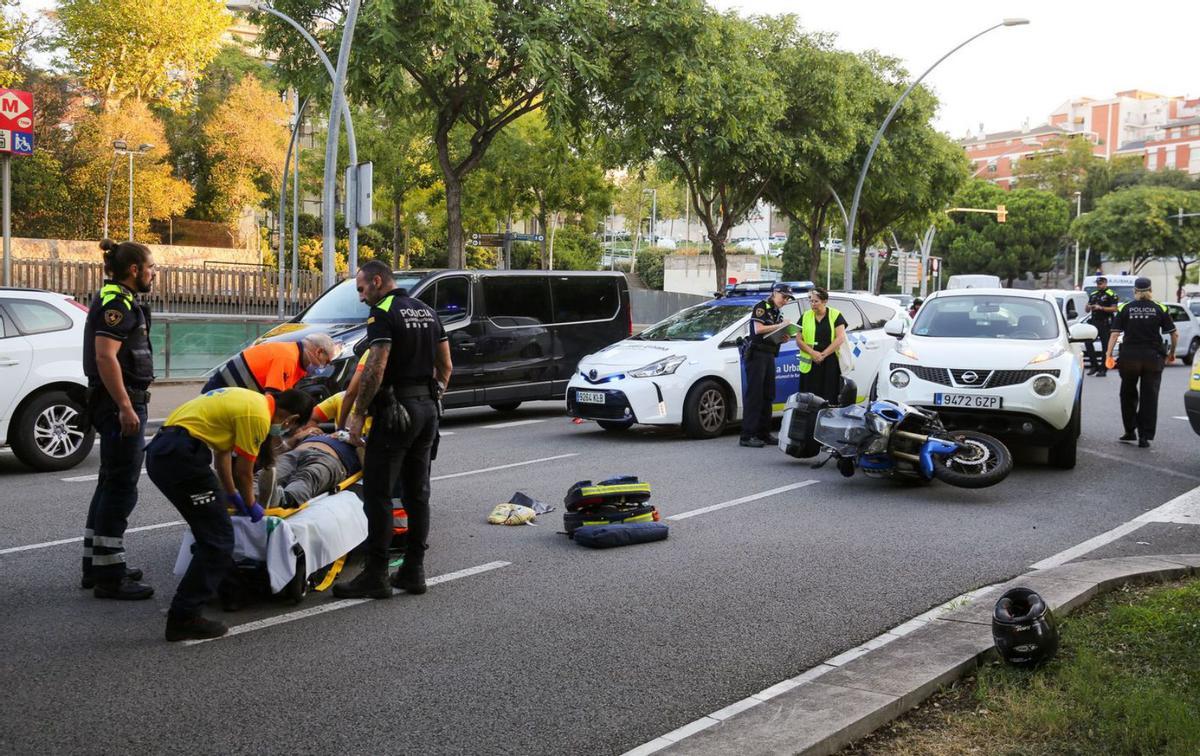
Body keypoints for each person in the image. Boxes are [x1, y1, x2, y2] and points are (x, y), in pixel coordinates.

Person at [145, 387, 313, 641]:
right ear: (291, 419)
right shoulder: (257, 416)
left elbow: (222, 455)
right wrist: (249, 503)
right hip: (182, 458)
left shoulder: (247, 399)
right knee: (219, 539)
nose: (284, 430)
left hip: (165, 452)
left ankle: (231, 592)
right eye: (288, 426)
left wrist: (232, 494)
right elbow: (244, 471)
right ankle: (184, 616)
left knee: (209, 533)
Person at [334, 260, 452, 599]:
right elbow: (446, 367)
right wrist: (430, 398)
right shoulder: (428, 311)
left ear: (376, 281)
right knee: (418, 494)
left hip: (395, 412)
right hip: (428, 410)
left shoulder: (383, 312)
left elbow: (376, 365)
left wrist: (358, 414)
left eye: (361, 289)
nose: (360, 297)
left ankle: (376, 575)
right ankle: (414, 571)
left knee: (379, 494)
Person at [80, 239, 157, 599]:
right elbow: (106, 357)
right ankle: (110, 576)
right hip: (119, 405)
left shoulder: (117, 298)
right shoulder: (117, 303)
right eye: (151, 267)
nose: (154, 273)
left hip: (113, 403)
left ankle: (96, 565)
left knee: (109, 483)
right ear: (134, 270)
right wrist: (126, 406)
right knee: (121, 487)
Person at [1106, 277, 1177, 449]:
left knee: (1127, 394)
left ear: (1134, 291)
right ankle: (1144, 437)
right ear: (1150, 290)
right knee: (1150, 397)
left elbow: (1115, 334)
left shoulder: (1125, 307)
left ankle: (1130, 430)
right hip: (1153, 358)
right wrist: (1172, 353)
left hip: (1130, 357)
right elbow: (1174, 334)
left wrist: (1108, 354)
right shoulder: (1160, 307)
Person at [739, 283, 794, 448]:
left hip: (769, 354)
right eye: (783, 297)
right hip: (756, 355)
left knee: (768, 395)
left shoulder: (777, 312)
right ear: (775, 293)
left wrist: (783, 336)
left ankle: (763, 433)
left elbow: (771, 334)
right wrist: (780, 326)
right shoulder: (761, 307)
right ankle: (748, 435)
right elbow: (759, 329)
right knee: (755, 395)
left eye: (788, 298)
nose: (785, 301)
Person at [201, 334, 336, 394]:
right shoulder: (288, 358)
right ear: (318, 352)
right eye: (326, 361)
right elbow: (273, 396)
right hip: (220, 391)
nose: (323, 366)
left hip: (227, 390)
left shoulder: (294, 358)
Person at [796, 286, 848, 403]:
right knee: (809, 398)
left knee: (829, 396)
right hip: (810, 362)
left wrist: (823, 355)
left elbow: (840, 338)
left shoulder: (835, 315)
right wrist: (813, 353)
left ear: (824, 301)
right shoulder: (805, 316)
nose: (813, 304)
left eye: (816, 301)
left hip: (829, 362)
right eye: (811, 301)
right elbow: (799, 340)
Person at [1085, 276, 1119, 376]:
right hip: (1094, 322)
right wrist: (1088, 307)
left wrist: (1101, 308)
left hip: (1105, 323)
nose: (1098, 285)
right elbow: (1087, 309)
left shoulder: (1111, 294)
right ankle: (1094, 366)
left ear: (1105, 283)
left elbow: (1114, 309)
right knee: (1088, 342)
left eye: (1100, 284)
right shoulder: (1093, 294)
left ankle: (1103, 369)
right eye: (1097, 284)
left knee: (1105, 346)